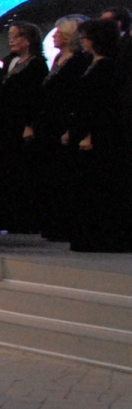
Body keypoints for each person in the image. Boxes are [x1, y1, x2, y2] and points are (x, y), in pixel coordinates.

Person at [68, 19, 130, 252]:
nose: (82, 42)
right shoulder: (94, 64)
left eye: (85, 38)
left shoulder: (107, 68)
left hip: (101, 138)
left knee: (99, 188)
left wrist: (91, 134)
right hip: (90, 133)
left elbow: (104, 107)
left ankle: (102, 236)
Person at [39, 16, 91, 243]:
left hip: (66, 122)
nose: (55, 36)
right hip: (50, 123)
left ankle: (65, 224)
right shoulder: (58, 59)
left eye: (59, 32)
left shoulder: (79, 61)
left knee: (65, 175)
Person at [0, 22, 48, 234]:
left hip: (22, 123)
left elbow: (36, 98)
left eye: (16, 36)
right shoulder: (10, 61)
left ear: (29, 40)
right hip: (6, 122)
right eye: (10, 36)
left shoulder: (37, 64)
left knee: (23, 171)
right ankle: (7, 216)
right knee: (6, 170)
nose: (12, 40)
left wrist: (30, 124)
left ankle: (26, 219)